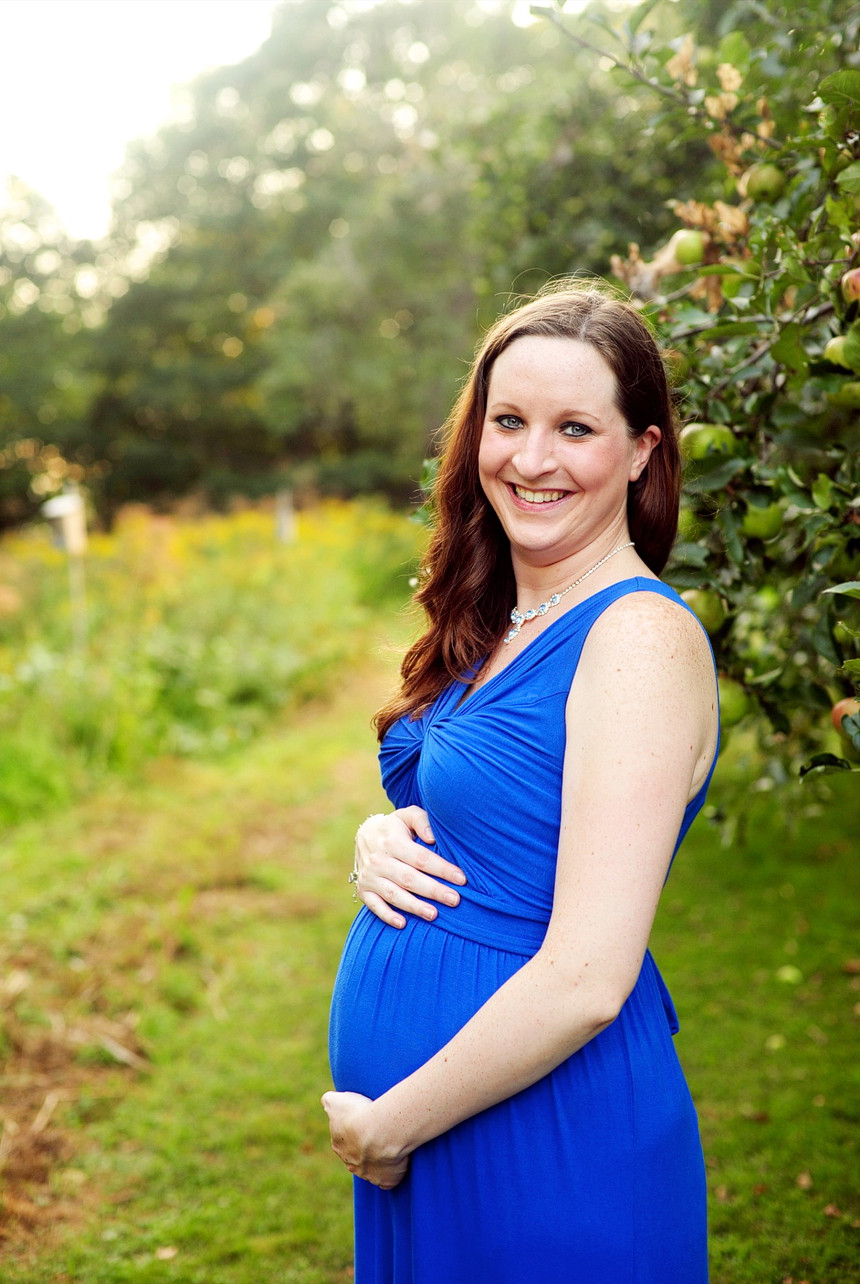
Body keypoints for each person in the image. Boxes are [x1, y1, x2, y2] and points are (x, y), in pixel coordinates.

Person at [323, 282, 719, 1283]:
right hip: (450, 1128)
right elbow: (503, 815)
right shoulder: (505, 622)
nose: (531, 460)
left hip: (542, 1138)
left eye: (575, 427)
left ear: (642, 452)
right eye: (509, 421)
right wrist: (389, 835)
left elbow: (588, 978)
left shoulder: (636, 638)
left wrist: (389, 1127)